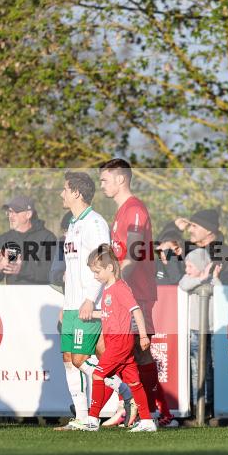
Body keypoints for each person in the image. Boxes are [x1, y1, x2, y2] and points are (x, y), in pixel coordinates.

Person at [99, 159, 174, 427]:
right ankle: (140, 407)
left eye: (105, 179)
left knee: (136, 352)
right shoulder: (122, 211)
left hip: (136, 292)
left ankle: (154, 411)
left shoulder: (134, 210)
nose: (102, 184)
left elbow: (130, 258)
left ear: (121, 179)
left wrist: (113, 286)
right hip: (128, 290)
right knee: (126, 353)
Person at [70, 245, 157, 432]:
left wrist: (142, 335)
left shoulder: (120, 288)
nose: (95, 276)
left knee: (98, 374)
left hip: (120, 342)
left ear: (110, 268)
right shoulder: (108, 289)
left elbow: (136, 311)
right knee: (134, 382)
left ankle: (92, 419)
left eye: (97, 271)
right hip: (115, 342)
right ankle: (148, 421)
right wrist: (92, 314)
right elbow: (110, 314)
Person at [54, 171, 111, 430]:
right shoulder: (74, 224)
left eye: (65, 189)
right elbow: (72, 271)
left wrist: (89, 299)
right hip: (72, 305)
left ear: (76, 192)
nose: (61, 194)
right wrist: (65, 304)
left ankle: (126, 393)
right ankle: (82, 417)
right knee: (68, 359)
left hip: (89, 305)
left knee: (80, 359)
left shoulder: (95, 223)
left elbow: (104, 263)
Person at [179, 248, 221, 416]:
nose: (187, 270)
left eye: (190, 266)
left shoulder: (212, 280)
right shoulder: (188, 279)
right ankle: (197, 403)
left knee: (212, 368)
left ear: (201, 265)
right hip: (195, 330)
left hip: (212, 330)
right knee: (197, 369)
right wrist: (201, 278)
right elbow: (183, 285)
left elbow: (220, 291)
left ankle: (210, 403)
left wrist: (214, 277)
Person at [0, 195, 56, 285]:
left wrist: (22, 270)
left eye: (15, 212)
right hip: (13, 297)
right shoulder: (3, 239)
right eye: (9, 212)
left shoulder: (47, 238)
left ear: (28, 214)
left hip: (39, 297)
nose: (10, 216)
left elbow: (51, 273)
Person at [154, 220, 185, 285]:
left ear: (179, 251)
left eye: (170, 252)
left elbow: (175, 279)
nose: (165, 254)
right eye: (164, 251)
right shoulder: (155, 265)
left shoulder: (184, 266)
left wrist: (170, 258)